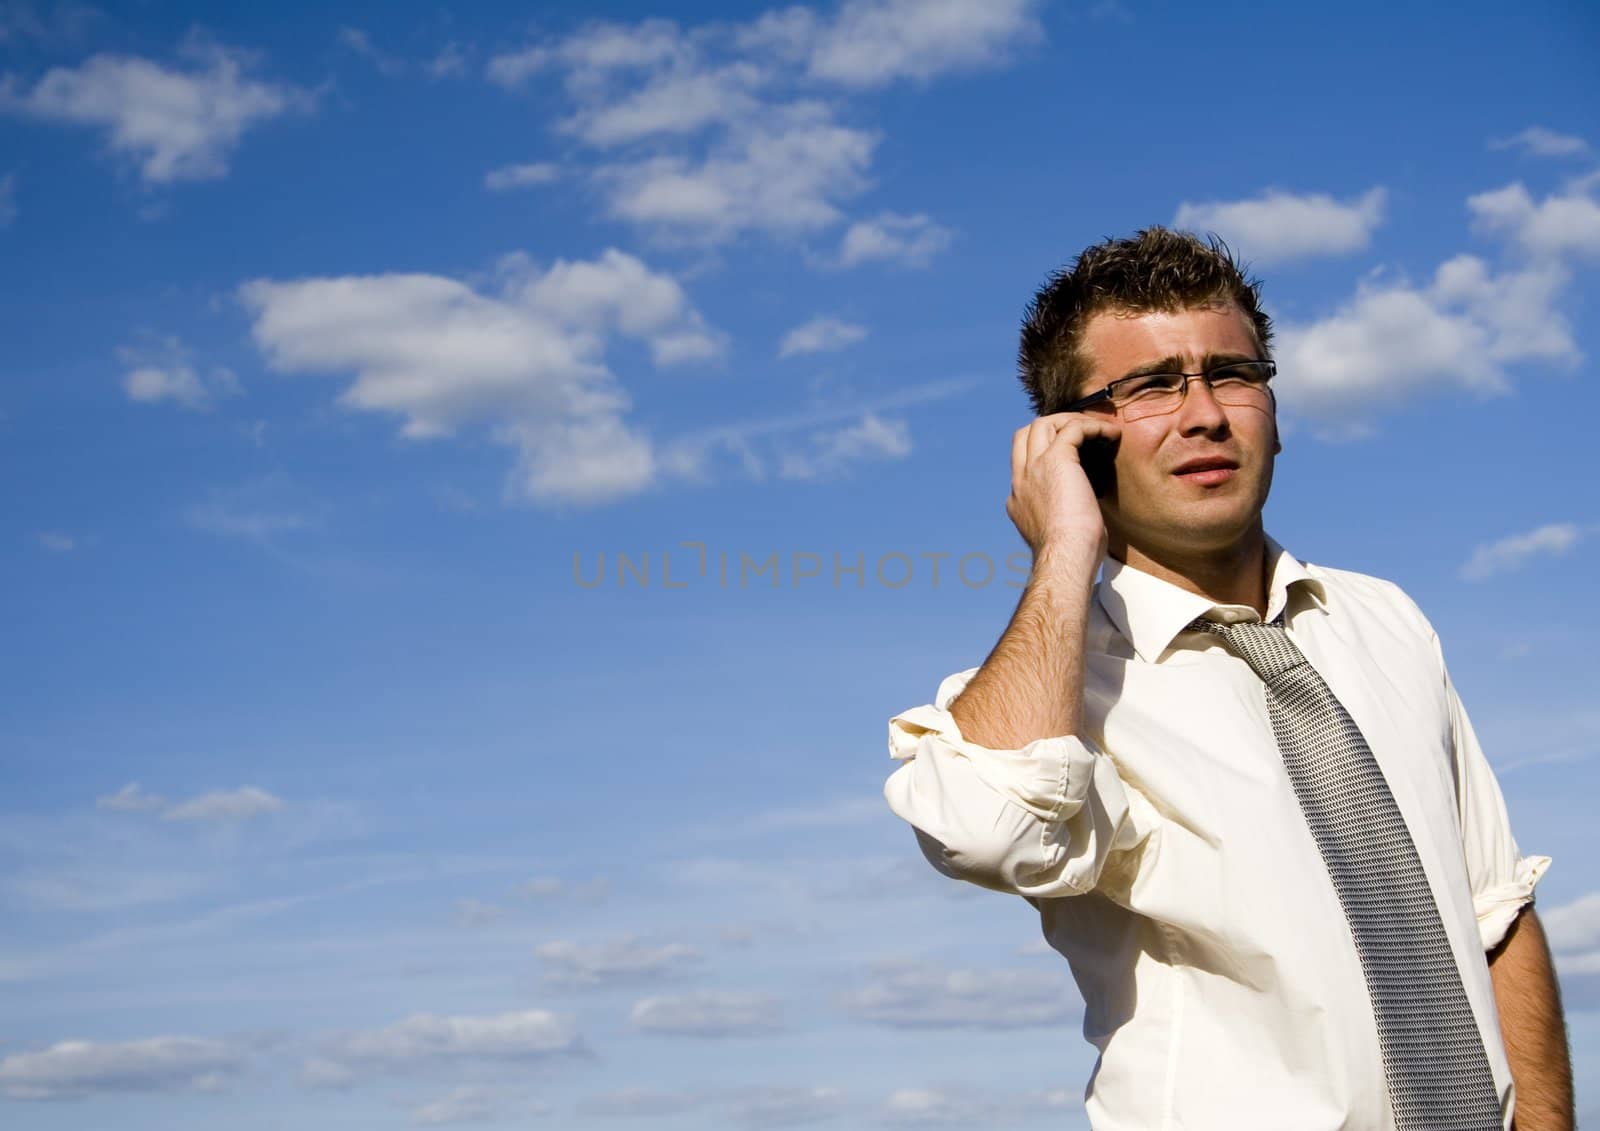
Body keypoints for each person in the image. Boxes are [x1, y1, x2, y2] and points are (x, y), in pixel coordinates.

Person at [881, 228, 1573, 1130]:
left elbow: (1494, 908)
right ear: (1075, 442)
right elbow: (989, 830)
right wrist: (1064, 547)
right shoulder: (1059, 691)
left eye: (1232, 374)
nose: (1204, 413)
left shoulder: (1385, 621)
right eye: (1152, 386)